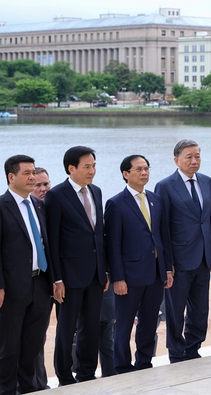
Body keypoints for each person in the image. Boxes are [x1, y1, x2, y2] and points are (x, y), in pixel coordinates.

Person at [155, 139, 211, 363]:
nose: (194, 161)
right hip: (179, 260)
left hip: (203, 258)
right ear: (177, 160)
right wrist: (167, 263)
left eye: (198, 156)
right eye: (189, 157)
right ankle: (176, 352)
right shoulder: (165, 186)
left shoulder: (206, 182)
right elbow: (162, 227)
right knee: (175, 311)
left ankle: (193, 348)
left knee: (200, 310)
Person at [46, 146, 109, 385]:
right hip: (68, 276)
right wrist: (57, 278)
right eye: (87, 166)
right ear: (71, 168)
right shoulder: (57, 195)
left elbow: (99, 234)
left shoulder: (97, 191)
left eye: (93, 165)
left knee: (91, 327)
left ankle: (86, 373)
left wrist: (105, 270)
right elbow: (53, 240)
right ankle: (64, 376)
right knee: (66, 328)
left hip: (95, 274)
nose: (92, 170)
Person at [104, 155, 173, 373]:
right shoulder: (116, 203)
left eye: (146, 168)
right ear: (126, 174)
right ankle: (122, 366)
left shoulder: (155, 199)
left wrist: (168, 268)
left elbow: (163, 236)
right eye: (139, 169)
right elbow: (112, 245)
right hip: (129, 276)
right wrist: (118, 278)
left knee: (149, 321)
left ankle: (144, 362)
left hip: (155, 272)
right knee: (123, 325)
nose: (144, 173)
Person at [0, 155, 54, 395]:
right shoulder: (2, 206)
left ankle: (29, 389)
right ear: (11, 177)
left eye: (34, 172)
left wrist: (55, 280)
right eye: (27, 173)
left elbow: (47, 246)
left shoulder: (39, 205)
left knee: (33, 345)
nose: (33, 177)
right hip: (12, 289)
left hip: (41, 285)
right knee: (8, 347)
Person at [31, 166, 52, 390]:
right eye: (38, 185)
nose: (44, 189)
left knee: (39, 338)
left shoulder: (52, 208)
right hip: (26, 283)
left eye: (46, 184)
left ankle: (41, 384)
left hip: (51, 282)